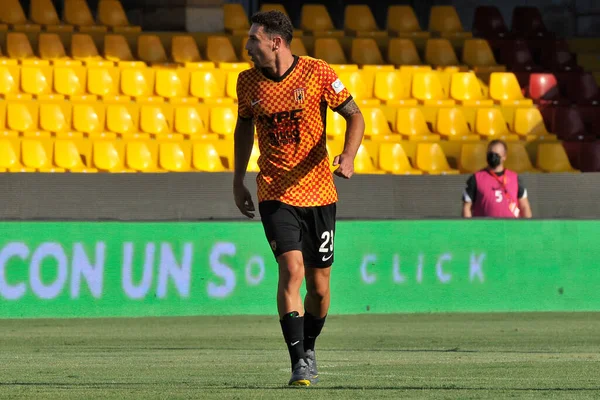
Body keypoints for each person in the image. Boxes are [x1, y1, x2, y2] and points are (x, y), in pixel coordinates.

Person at [232, 10, 365, 387]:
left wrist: (349, 155)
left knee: (319, 289)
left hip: (320, 193)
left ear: (275, 42)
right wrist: (238, 180)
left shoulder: (317, 72)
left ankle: (308, 346)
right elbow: (243, 128)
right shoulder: (247, 83)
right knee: (290, 269)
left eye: (253, 40)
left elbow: (355, 116)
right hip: (274, 191)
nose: (247, 47)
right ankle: (297, 364)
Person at [462, 140, 533, 218]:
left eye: (496, 155)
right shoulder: (476, 178)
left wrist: (528, 228)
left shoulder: (515, 178)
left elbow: (524, 207)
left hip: (511, 228)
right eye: (490, 154)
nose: (493, 157)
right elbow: (467, 207)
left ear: (504, 156)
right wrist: (468, 228)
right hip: (484, 228)